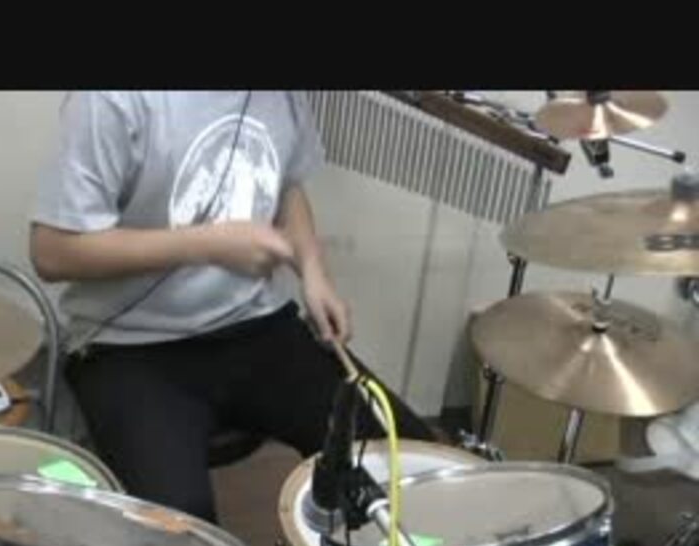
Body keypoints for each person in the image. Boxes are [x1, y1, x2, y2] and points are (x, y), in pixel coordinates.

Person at [29, 91, 435, 523]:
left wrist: (313, 271)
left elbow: (286, 186)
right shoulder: (109, 101)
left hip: (256, 325)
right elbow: (52, 252)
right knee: (185, 533)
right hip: (127, 347)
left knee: (412, 463)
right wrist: (208, 244)